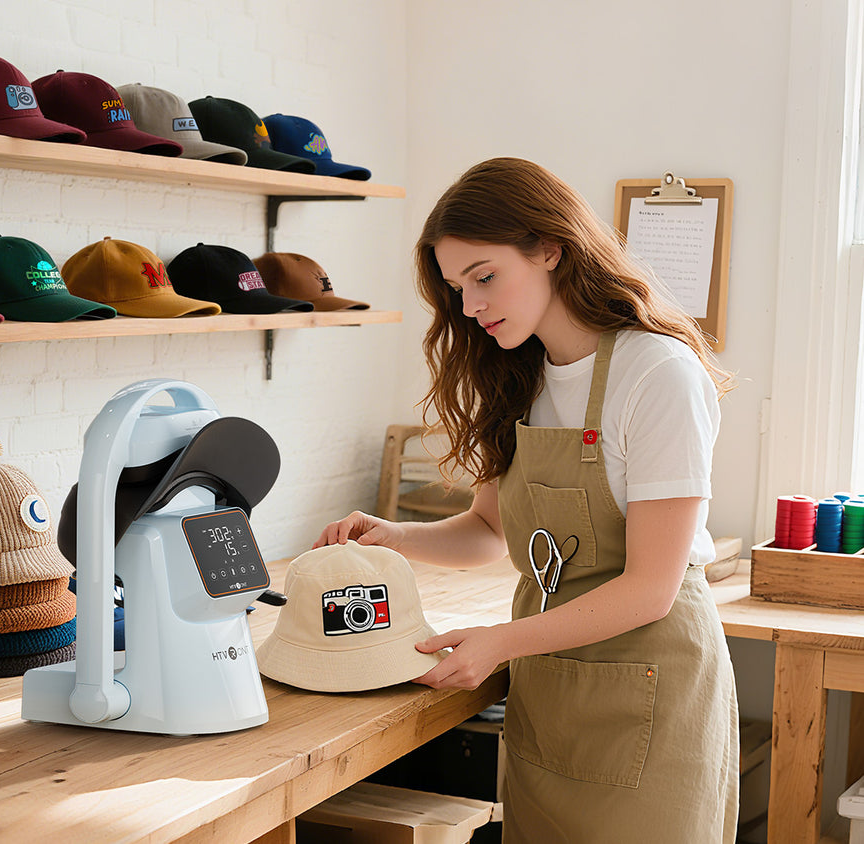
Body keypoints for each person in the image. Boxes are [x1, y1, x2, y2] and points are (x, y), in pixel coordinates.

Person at [315, 157, 739, 843]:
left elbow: (649, 590)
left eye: (484, 277)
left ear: (550, 248)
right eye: (457, 287)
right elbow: (489, 529)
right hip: (550, 692)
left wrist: (501, 642)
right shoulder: (520, 376)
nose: (470, 306)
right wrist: (395, 536)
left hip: (651, 694)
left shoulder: (658, 373)